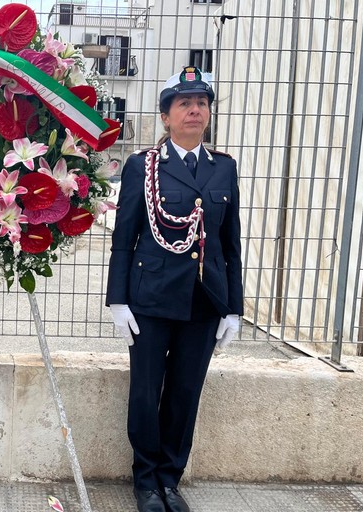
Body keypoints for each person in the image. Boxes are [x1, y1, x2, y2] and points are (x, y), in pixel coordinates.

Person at [106, 67, 243, 512]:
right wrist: (118, 300)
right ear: (166, 116)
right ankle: (146, 482)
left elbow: (230, 243)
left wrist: (233, 308)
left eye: (201, 103)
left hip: (204, 301)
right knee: (147, 393)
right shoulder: (142, 166)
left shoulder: (223, 167)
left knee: (185, 394)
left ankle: (170, 480)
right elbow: (124, 236)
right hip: (150, 299)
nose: (194, 110)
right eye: (184, 103)